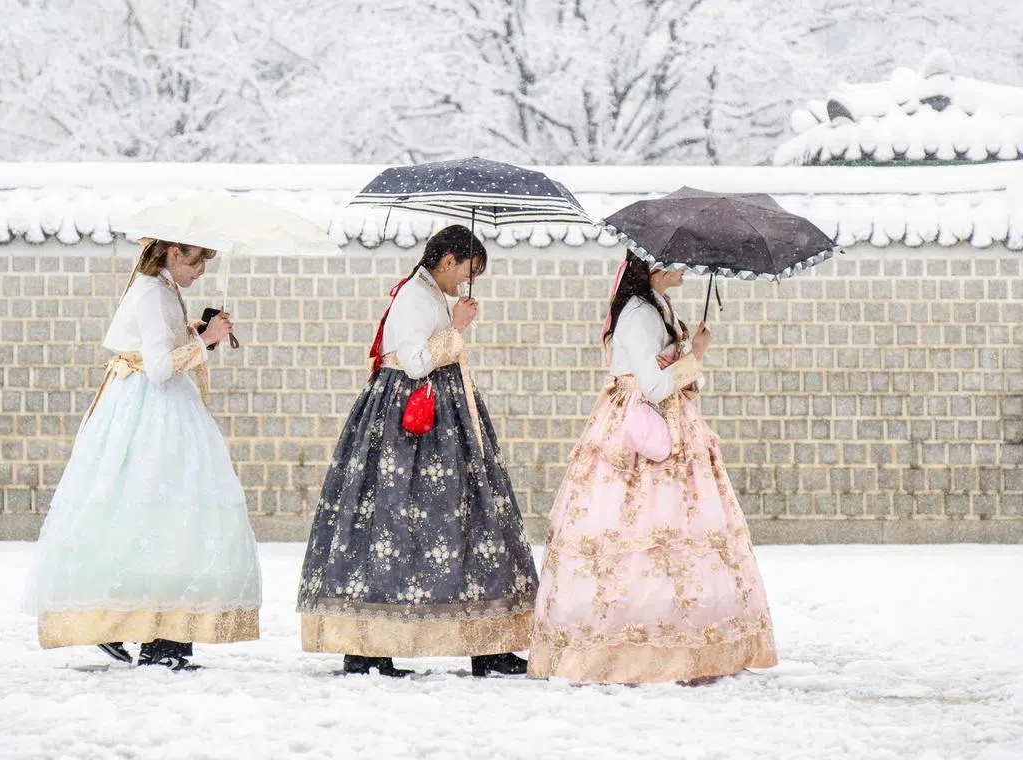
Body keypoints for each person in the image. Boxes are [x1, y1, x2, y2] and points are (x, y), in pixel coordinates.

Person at [297, 225, 537, 677]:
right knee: (395, 523)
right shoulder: (413, 296)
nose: (466, 283)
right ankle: (369, 646)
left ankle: (489, 641)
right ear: (447, 261)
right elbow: (415, 363)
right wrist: (457, 329)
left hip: (443, 417)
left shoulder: (428, 296)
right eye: (468, 271)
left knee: (470, 519)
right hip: (409, 424)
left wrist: (451, 326)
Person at [527, 252, 777, 685]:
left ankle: (681, 636)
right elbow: (655, 384)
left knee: (677, 532)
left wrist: (689, 352)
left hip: (667, 420)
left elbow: (669, 374)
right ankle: (627, 646)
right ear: (653, 268)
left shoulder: (659, 306)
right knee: (632, 530)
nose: (687, 270)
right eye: (679, 263)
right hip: (639, 428)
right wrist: (692, 357)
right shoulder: (638, 314)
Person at [22, 239, 262, 671]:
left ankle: (150, 632)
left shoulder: (163, 289)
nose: (201, 271)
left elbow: (163, 348)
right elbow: (156, 368)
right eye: (195, 262)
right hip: (153, 415)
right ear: (173, 254)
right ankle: (149, 635)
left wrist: (198, 332)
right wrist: (205, 339)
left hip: (160, 410)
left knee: (162, 517)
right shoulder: (153, 292)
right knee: (161, 513)